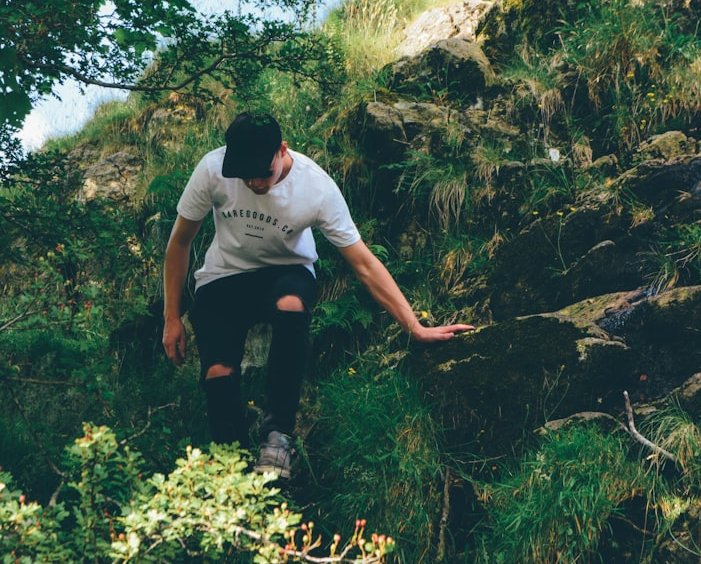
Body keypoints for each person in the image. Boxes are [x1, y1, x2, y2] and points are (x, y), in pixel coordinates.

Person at [161, 112, 474, 478]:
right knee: (218, 372)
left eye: (263, 172)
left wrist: (415, 327)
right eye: (245, 175)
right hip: (224, 275)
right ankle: (230, 474)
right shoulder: (212, 170)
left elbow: (364, 264)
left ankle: (277, 436)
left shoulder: (316, 188)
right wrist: (171, 316)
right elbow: (180, 242)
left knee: (291, 305)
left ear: (282, 150)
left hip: (286, 269)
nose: (255, 182)